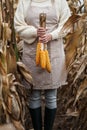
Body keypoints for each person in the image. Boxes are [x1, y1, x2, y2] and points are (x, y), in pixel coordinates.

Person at [14, 0, 71, 130]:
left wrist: (51, 35)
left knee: (51, 96)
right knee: (34, 95)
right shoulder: (25, 2)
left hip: (54, 52)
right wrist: (35, 32)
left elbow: (67, 25)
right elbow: (18, 25)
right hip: (32, 54)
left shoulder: (60, 2)